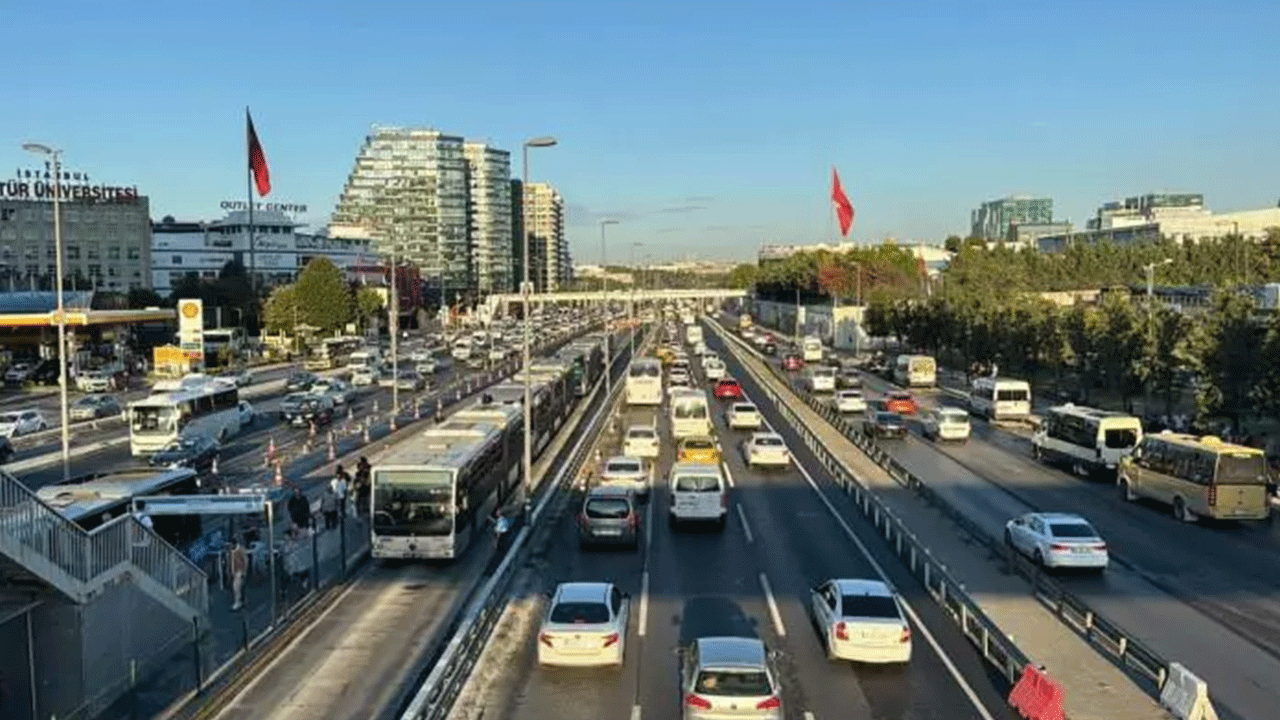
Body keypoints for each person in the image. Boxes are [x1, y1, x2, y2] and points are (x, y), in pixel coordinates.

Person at [229, 538, 248, 611]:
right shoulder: (231, 551)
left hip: (239, 571)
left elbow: (245, 560)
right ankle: (241, 601)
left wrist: (244, 571)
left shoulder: (240, 550)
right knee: (237, 588)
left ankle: (238, 602)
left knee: (236, 587)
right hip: (234, 572)